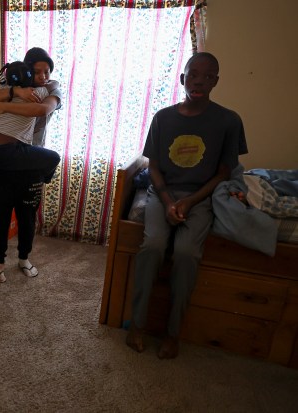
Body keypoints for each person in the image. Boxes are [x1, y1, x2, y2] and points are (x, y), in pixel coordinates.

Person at [126, 52, 246, 359]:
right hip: (163, 193)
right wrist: (168, 201)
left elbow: (224, 172)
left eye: (208, 76)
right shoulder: (163, 117)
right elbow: (153, 168)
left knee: (186, 253)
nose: (199, 81)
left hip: (200, 197)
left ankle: (172, 333)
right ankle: (137, 326)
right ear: (183, 78)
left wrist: (190, 201)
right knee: (153, 245)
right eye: (194, 74)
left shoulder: (228, 120)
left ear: (216, 81)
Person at [0, 47, 62, 283]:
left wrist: (6, 106)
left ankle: (24, 258)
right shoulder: (11, 86)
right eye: (37, 72)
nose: (43, 76)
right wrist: (14, 92)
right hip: (5, 161)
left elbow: (43, 108)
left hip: (29, 161)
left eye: (47, 71)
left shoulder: (52, 88)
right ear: (26, 70)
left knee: (27, 217)